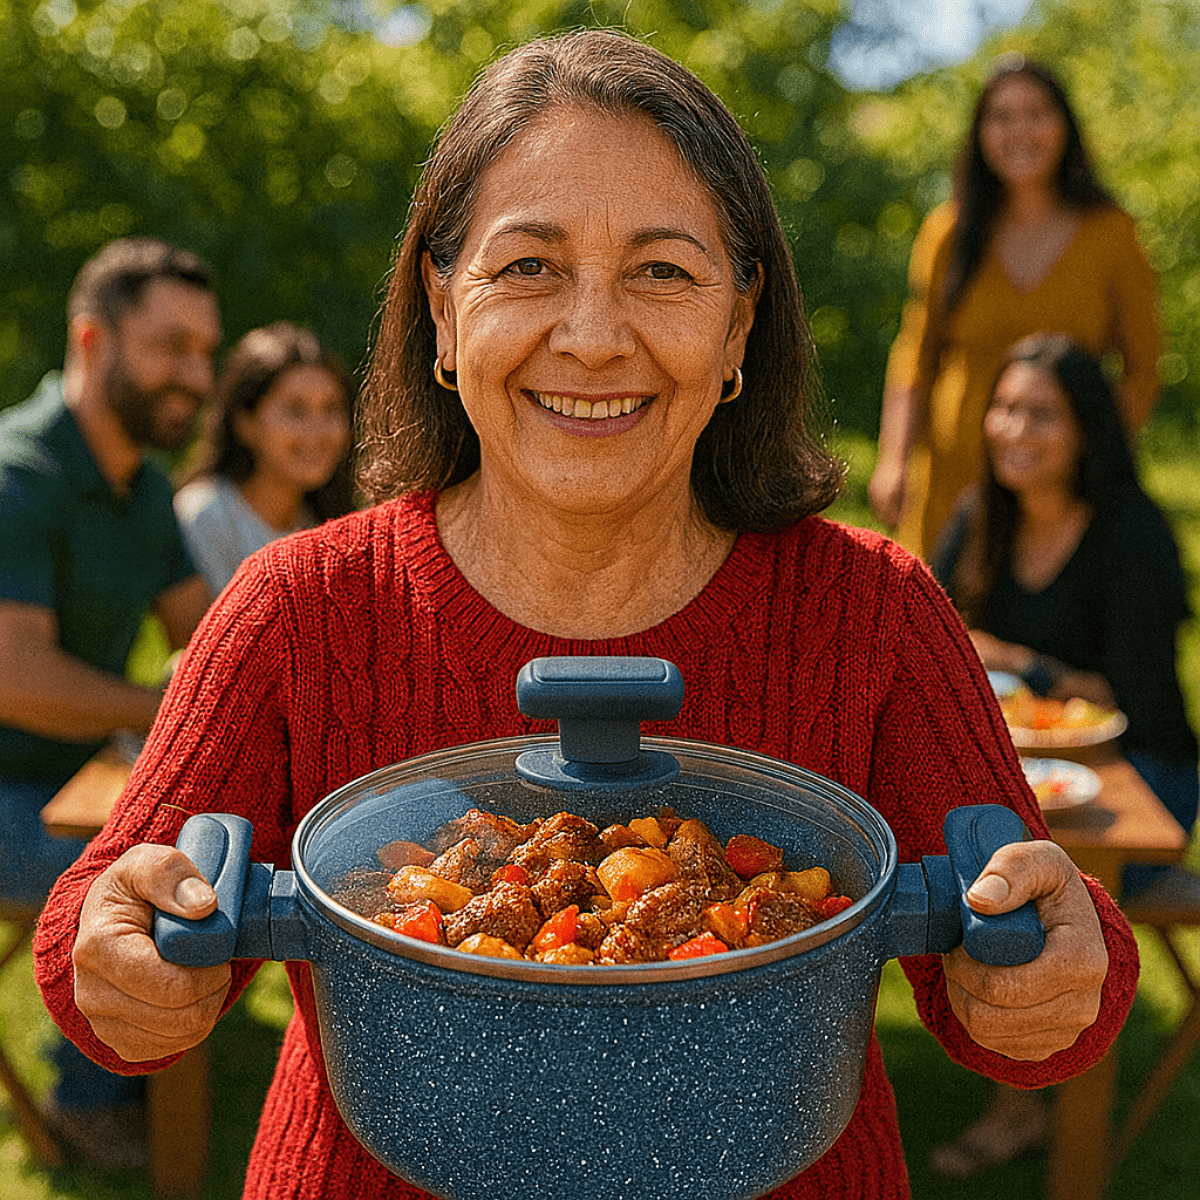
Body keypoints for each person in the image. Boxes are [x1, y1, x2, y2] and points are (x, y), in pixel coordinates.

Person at [32, 32, 1136, 1200]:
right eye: (528, 267)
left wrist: (1052, 970)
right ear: (441, 311)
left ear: (739, 326)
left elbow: (1041, 953)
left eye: (662, 272)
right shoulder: (296, 609)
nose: (595, 337)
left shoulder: (877, 611)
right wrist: (123, 957)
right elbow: (95, 939)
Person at [928, 332, 1199, 1179]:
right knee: (959, 848)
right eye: (1005, 407)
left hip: (1142, 776)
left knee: (1024, 880)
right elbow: (932, 640)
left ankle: (1022, 1104)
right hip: (1020, 766)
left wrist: (1018, 662)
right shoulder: (981, 513)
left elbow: (1136, 698)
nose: (1014, 429)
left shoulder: (1131, 535)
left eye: (1041, 414)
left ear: (1086, 430)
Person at [0, 236, 219, 1167]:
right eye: (171, 347)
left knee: (204, 846)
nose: (197, 375)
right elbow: (16, 676)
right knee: (162, 885)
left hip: (78, 780)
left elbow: (205, 629)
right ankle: (86, 1102)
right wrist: (153, 707)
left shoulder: (145, 485)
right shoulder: (20, 474)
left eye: (205, 352)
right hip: (11, 796)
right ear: (92, 340)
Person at [869, 53, 1163, 560]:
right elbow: (916, 354)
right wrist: (893, 460)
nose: (1019, 131)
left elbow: (1144, 368)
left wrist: (1095, 455)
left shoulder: (1112, 234)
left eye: (1036, 114)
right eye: (1001, 117)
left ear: (1065, 126)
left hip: (1059, 498)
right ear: (980, 134)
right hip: (951, 484)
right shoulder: (948, 232)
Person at [174, 322, 357, 596]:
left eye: (331, 409)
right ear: (245, 423)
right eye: (296, 411)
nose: (318, 432)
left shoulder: (327, 527)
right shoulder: (205, 516)